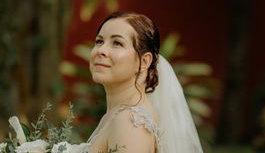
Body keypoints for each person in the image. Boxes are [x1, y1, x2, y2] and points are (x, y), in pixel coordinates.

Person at [84, 11, 203, 153]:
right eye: (99, 41)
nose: (101, 50)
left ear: (144, 61)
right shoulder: (118, 116)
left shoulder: (131, 123)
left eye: (117, 43)